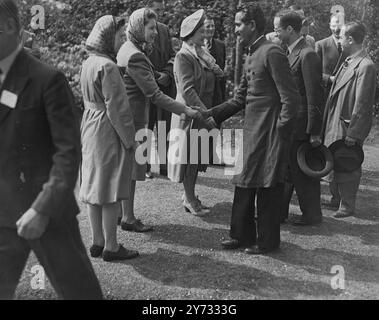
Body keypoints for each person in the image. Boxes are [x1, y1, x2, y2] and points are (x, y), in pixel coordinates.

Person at [0, 0, 103, 299]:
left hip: (46, 214)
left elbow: (68, 154)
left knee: (80, 294)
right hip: (2, 215)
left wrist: (42, 209)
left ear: (8, 26)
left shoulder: (47, 80)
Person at [200, 3, 299, 254]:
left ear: (252, 25)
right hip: (253, 130)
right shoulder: (251, 54)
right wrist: (212, 114)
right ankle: (241, 235)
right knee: (244, 180)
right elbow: (240, 98)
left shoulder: (272, 52)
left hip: (271, 132)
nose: (235, 30)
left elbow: (291, 99)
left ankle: (267, 243)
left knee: (267, 185)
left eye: (238, 24)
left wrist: (281, 130)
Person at [117, 8, 202, 232]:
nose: (155, 32)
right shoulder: (135, 55)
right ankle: (128, 217)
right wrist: (187, 110)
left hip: (126, 117)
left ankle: (121, 213)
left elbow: (147, 74)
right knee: (133, 170)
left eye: (155, 27)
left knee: (127, 168)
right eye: (151, 28)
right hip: (134, 121)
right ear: (138, 27)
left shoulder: (128, 48)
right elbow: (155, 95)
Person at [80, 15, 139, 262]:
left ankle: (97, 241)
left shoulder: (88, 63)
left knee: (94, 185)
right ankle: (111, 247)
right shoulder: (108, 66)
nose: (121, 39)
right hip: (107, 127)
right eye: (118, 35)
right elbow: (118, 108)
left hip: (89, 124)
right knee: (111, 189)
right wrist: (130, 140)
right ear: (107, 37)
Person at [167, 9, 223, 216]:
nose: (205, 35)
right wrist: (205, 115)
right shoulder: (184, 56)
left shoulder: (201, 55)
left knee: (196, 158)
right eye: (201, 32)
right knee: (189, 159)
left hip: (201, 113)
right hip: (191, 116)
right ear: (191, 34)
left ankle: (189, 195)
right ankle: (189, 198)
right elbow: (188, 90)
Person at [274, 10, 325, 225]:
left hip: (302, 126)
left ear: (289, 29)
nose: (275, 32)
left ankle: (312, 215)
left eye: (278, 28)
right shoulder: (289, 51)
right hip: (291, 124)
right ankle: (280, 212)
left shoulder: (307, 54)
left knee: (303, 172)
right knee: (287, 169)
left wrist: (314, 131)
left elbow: (315, 95)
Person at [322, 22, 376, 218]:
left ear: (351, 39)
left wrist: (354, 132)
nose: (340, 40)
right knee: (334, 159)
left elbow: (362, 103)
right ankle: (336, 198)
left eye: (342, 36)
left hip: (347, 123)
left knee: (348, 163)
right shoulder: (349, 60)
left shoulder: (365, 65)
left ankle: (347, 204)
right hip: (336, 120)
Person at [145, 0, 176, 178]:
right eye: (157, 10)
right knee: (146, 127)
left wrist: (167, 74)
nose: (160, 14)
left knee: (165, 126)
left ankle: (165, 166)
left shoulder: (164, 29)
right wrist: (154, 76)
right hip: (145, 86)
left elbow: (172, 55)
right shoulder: (137, 27)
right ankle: (144, 167)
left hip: (164, 86)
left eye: (162, 11)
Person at [315, 14, 347, 95]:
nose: (336, 29)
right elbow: (313, 72)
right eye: (333, 26)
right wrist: (329, 79)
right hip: (327, 92)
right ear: (329, 26)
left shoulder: (350, 45)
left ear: (344, 25)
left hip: (345, 92)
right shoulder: (321, 45)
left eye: (339, 26)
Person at [204, 15, 227, 105]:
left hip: (216, 95)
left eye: (213, 26)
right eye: (208, 26)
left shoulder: (221, 45)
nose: (211, 29)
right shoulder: (196, 46)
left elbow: (222, 72)